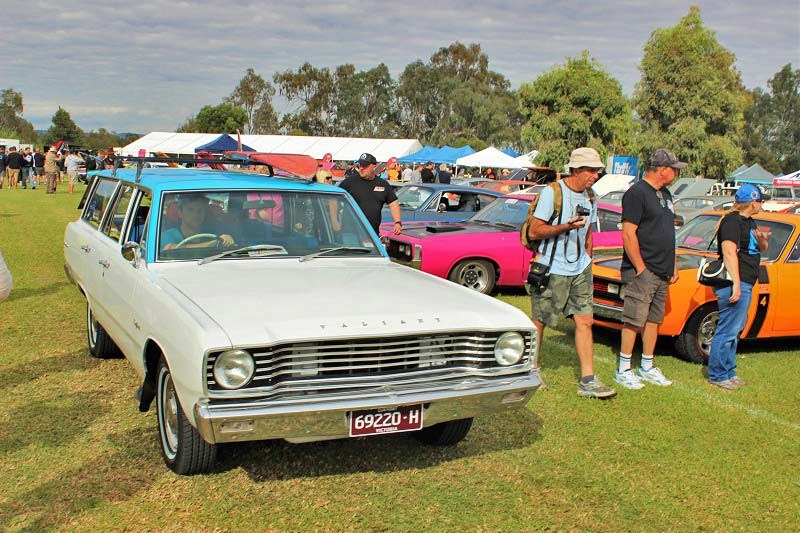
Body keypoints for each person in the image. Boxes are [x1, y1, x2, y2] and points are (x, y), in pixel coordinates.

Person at [526, 147, 616, 399]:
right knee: (540, 320)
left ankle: (588, 380)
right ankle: (530, 368)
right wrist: (565, 226)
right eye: (590, 170)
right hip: (552, 268)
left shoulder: (591, 196)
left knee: (585, 320)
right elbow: (534, 231)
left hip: (580, 269)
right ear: (575, 169)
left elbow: (588, 233)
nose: (595, 175)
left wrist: (588, 258)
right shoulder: (552, 193)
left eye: (597, 170)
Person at [614, 149, 686, 390]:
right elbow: (628, 233)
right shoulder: (637, 193)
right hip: (643, 271)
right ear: (662, 168)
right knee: (634, 319)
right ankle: (623, 368)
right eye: (674, 168)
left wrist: (672, 263)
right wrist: (640, 268)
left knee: (655, 319)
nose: (676, 172)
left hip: (663, 270)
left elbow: (668, 232)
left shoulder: (666, 194)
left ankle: (647, 365)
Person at [707, 184, 770, 390]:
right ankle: (717, 374)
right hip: (736, 282)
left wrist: (762, 241)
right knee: (727, 330)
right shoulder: (732, 221)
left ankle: (728, 370)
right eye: (760, 200)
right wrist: (735, 284)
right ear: (753, 201)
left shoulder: (749, 221)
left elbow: (760, 249)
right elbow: (729, 252)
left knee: (735, 330)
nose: (761, 204)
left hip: (745, 282)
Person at [335, 153, 402, 235]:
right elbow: (334, 200)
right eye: (360, 165)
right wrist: (334, 221)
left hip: (372, 234)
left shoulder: (383, 184)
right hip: (350, 233)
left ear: (374, 167)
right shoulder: (349, 182)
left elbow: (393, 203)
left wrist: (397, 222)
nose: (361, 168)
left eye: (365, 166)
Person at [161, 194, 235, 250]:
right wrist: (215, 242)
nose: (196, 214)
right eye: (190, 210)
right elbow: (171, 249)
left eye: (200, 210)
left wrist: (227, 240)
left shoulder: (213, 234)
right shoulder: (168, 235)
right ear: (180, 213)